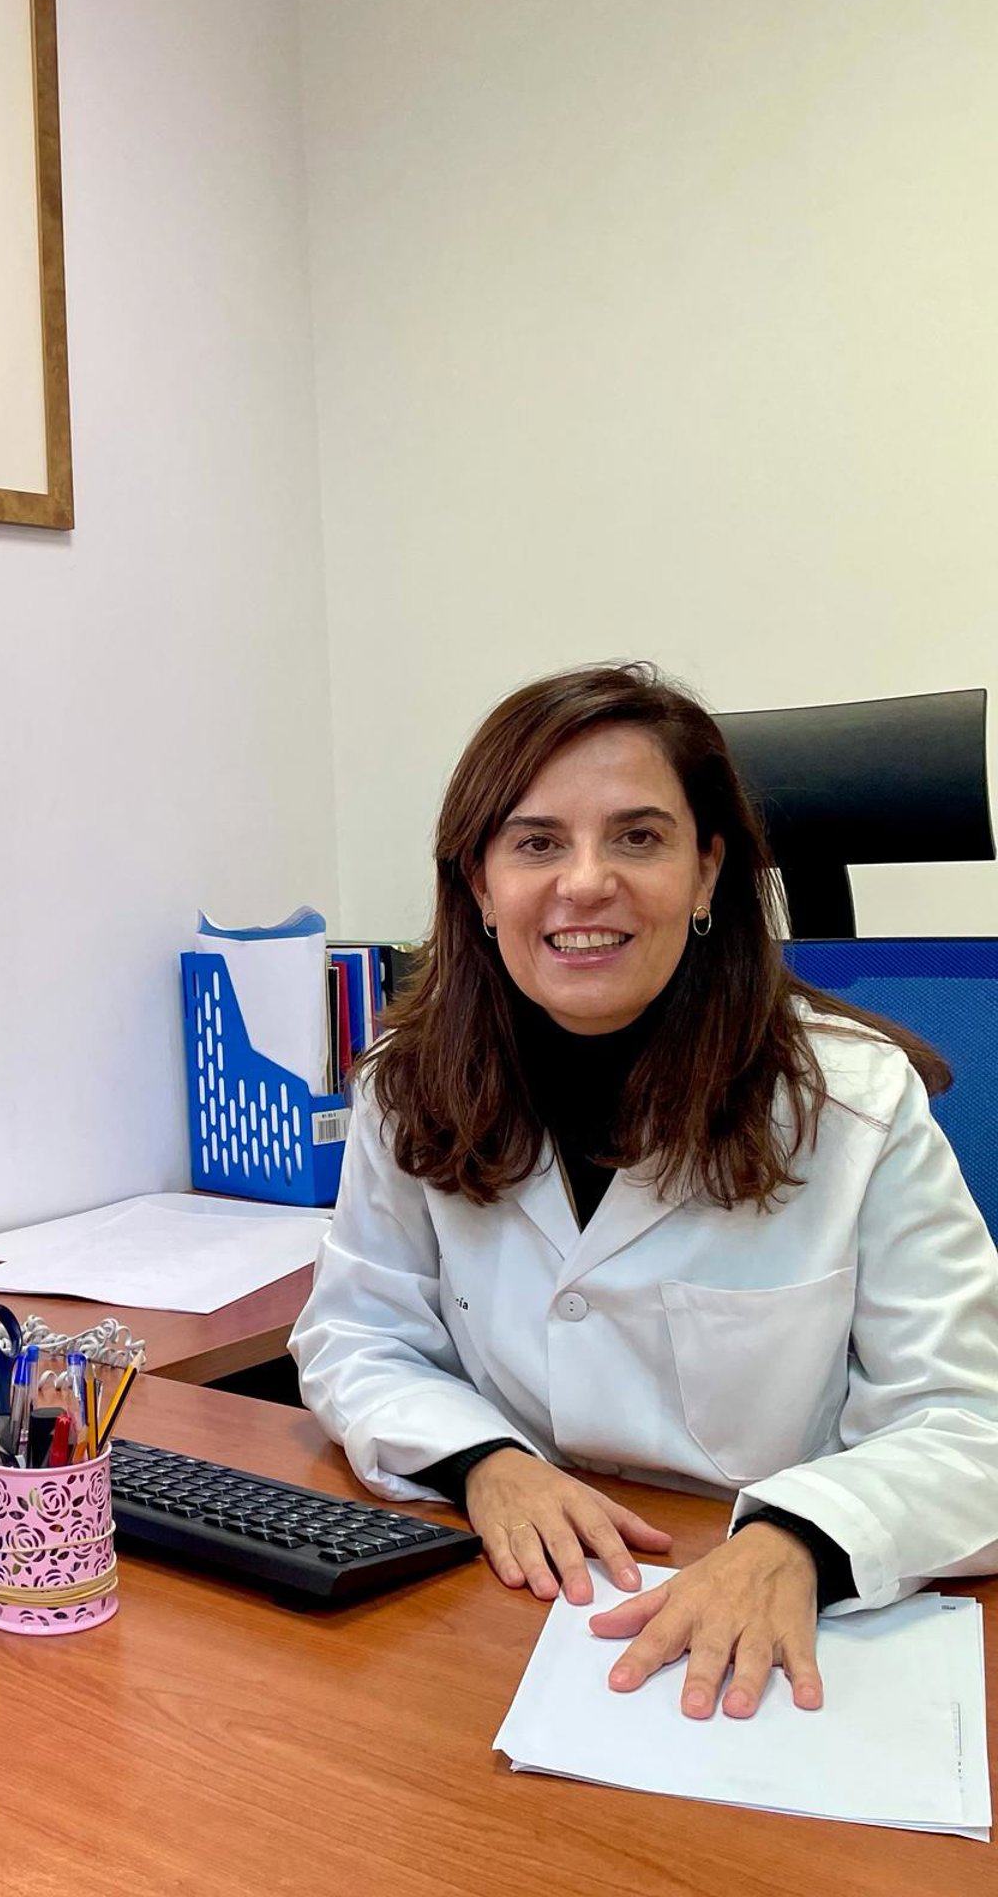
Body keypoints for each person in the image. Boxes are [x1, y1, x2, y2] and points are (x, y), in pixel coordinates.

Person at [290, 663, 998, 1721]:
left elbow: (972, 1422)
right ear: (479, 884)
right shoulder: (412, 1083)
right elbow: (356, 1334)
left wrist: (802, 1538)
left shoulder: (852, 1100)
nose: (584, 883)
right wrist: (481, 1460)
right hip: (509, 1601)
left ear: (707, 872)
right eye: (537, 843)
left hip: (780, 1629)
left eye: (637, 837)